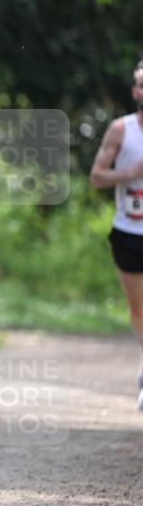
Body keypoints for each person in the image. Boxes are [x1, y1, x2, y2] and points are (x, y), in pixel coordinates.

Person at [90, 60, 143, 409]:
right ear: (136, 92)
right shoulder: (120, 131)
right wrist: (129, 173)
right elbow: (96, 177)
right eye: (141, 85)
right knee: (139, 309)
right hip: (129, 231)